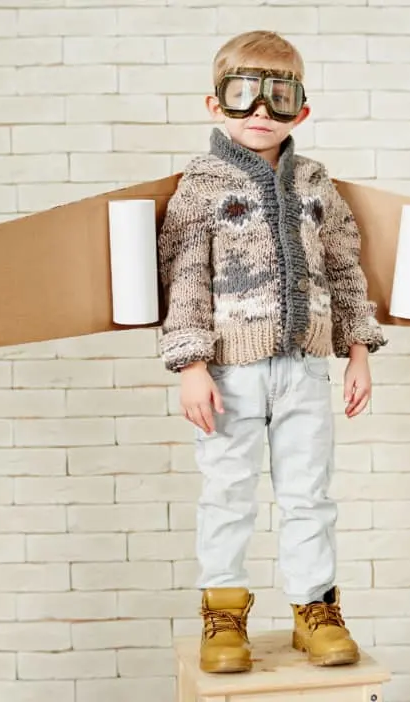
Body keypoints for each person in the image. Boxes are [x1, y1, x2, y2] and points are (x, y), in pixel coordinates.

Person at [157, 30, 387, 674]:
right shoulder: (201, 183)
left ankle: (315, 609)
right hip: (228, 371)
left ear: (301, 110)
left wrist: (358, 350)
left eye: (278, 98)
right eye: (242, 96)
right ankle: (223, 614)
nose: (260, 112)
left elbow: (344, 267)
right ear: (215, 105)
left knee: (310, 494)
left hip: (306, 368)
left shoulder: (316, 183)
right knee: (228, 492)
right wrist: (192, 365)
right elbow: (183, 276)